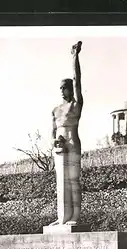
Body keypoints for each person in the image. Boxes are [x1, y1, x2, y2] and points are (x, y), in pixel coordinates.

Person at [49, 41, 83, 226]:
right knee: (61, 183)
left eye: (65, 87)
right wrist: (54, 142)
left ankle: (75, 217)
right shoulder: (55, 110)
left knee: (72, 180)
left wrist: (74, 57)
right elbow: (52, 130)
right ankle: (62, 216)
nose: (62, 91)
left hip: (72, 141)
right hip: (60, 146)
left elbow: (78, 80)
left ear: (71, 89)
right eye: (60, 88)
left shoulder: (75, 105)